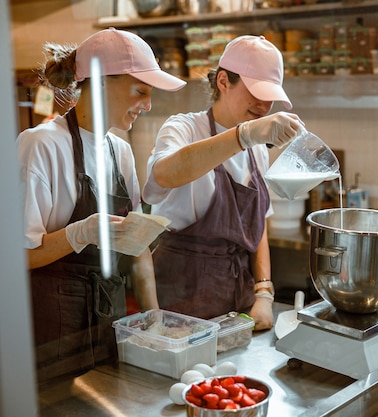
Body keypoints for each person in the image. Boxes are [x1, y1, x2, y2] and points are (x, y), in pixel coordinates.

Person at [17, 28, 186, 381]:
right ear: (103, 82)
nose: (148, 105)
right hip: (52, 324)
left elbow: (137, 250)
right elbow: (20, 256)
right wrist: (82, 231)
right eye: (141, 91)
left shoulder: (120, 151)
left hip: (109, 320)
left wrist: (153, 323)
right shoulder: (40, 145)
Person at [142, 35, 305, 330]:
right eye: (255, 92)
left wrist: (264, 291)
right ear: (223, 82)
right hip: (182, 298)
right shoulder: (184, 128)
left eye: (270, 96)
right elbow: (163, 174)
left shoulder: (258, 147)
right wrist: (243, 135)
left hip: (238, 297)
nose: (264, 105)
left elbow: (259, 228)